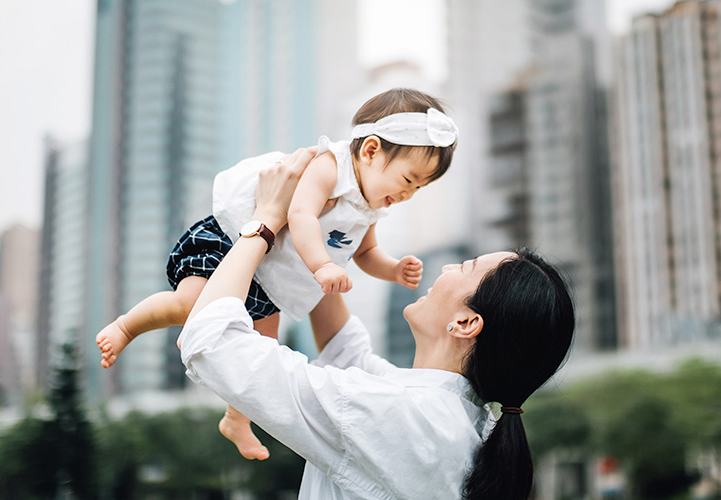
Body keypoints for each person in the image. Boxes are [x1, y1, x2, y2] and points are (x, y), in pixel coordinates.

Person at [179, 148, 576, 499]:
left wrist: (265, 220)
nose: (450, 267)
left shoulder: (402, 416)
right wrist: (330, 226)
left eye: (466, 267)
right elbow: (343, 350)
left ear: (466, 322)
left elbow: (214, 343)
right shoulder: (448, 418)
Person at [96, 88, 459, 460]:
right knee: (192, 305)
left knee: (259, 354)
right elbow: (299, 215)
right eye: (409, 179)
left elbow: (365, 253)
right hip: (231, 244)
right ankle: (127, 326)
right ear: (369, 150)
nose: (409, 194)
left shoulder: (368, 208)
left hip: (269, 281)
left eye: (420, 187)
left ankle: (237, 419)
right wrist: (322, 265)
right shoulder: (329, 167)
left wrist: (393, 269)